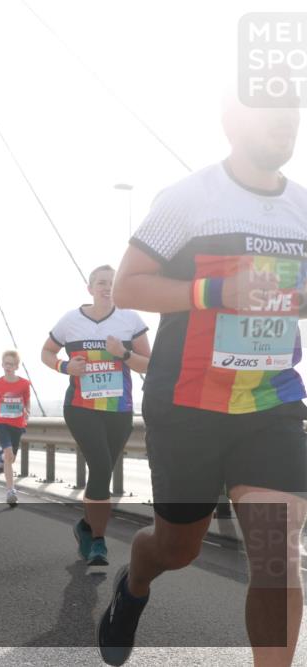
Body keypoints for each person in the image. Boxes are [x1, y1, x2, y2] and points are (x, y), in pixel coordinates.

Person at [97, 94, 307, 666]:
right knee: (176, 548)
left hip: (270, 401)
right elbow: (129, 286)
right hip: (188, 402)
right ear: (233, 122)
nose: (286, 123)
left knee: (278, 552)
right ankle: (134, 583)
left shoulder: (301, 207)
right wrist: (215, 292)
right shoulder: (190, 199)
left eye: (293, 113)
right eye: (272, 113)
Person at [42, 265, 151, 567]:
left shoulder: (130, 319)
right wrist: (65, 366)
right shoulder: (71, 320)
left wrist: (123, 354)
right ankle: (98, 542)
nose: (107, 287)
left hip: (119, 410)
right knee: (102, 466)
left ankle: (86, 526)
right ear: (90, 288)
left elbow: (149, 363)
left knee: (101, 473)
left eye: (112, 283)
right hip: (81, 408)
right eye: (101, 283)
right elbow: (46, 352)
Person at [0, 351, 31, 506]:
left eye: (11, 364)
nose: (8, 367)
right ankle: (11, 491)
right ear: (2, 364)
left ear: (16, 366)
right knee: (9, 453)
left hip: (17, 424)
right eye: (6, 364)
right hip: (1, 422)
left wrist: (27, 412)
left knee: (11, 458)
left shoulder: (24, 384)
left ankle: (1, 458)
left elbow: (27, 400)